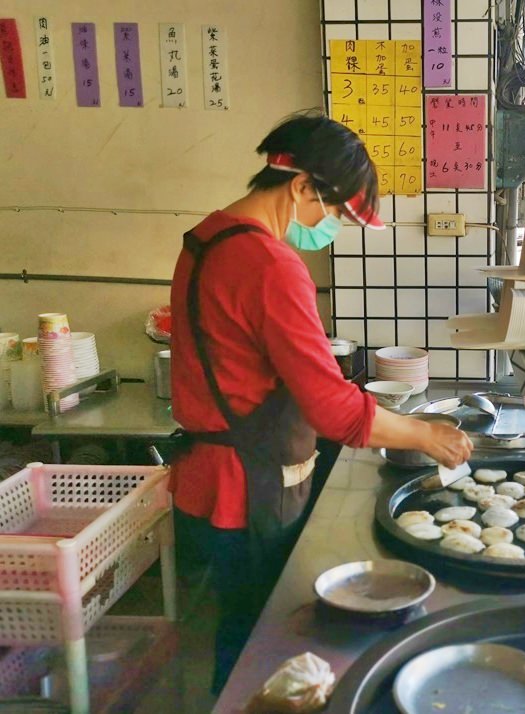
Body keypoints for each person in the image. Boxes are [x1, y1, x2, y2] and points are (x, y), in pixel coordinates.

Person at [168, 112, 473, 694]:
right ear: (302, 185)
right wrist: (424, 434)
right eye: (331, 211)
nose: (328, 225)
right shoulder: (270, 263)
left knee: (235, 626)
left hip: (209, 476)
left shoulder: (207, 236)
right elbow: (332, 409)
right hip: (249, 482)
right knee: (258, 642)